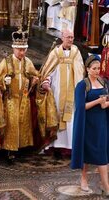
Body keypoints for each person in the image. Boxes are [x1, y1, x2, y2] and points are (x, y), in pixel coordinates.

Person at [0, 29, 39, 163]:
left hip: (24, 98)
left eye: (24, 50)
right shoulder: (6, 62)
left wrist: (34, 80)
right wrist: (4, 82)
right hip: (11, 99)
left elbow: (34, 74)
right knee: (12, 124)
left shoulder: (27, 62)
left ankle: (21, 146)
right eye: (20, 50)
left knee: (24, 122)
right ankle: (9, 149)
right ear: (14, 49)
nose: (22, 53)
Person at [39, 29, 84, 159]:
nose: (71, 39)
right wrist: (46, 82)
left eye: (72, 37)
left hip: (72, 92)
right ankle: (56, 146)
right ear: (62, 38)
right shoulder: (55, 53)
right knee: (57, 116)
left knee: (71, 118)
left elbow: (80, 71)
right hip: (57, 92)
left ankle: (70, 146)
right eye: (68, 37)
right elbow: (48, 71)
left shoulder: (76, 53)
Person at [71, 55, 109, 197]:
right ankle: (84, 178)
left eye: (99, 68)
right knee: (86, 153)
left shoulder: (103, 82)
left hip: (101, 124)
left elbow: (107, 100)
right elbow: (81, 107)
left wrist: (105, 104)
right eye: (94, 69)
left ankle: (105, 185)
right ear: (87, 69)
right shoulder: (82, 85)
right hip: (87, 124)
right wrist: (98, 102)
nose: (97, 71)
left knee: (101, 153)